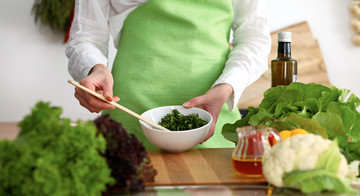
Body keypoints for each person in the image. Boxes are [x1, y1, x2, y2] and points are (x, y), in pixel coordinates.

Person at [66, 0, 271, 148]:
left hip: (213, 113)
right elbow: (86, 35)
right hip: (130, 112)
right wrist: (95, 68)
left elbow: (254, 37)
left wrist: (227, 85)